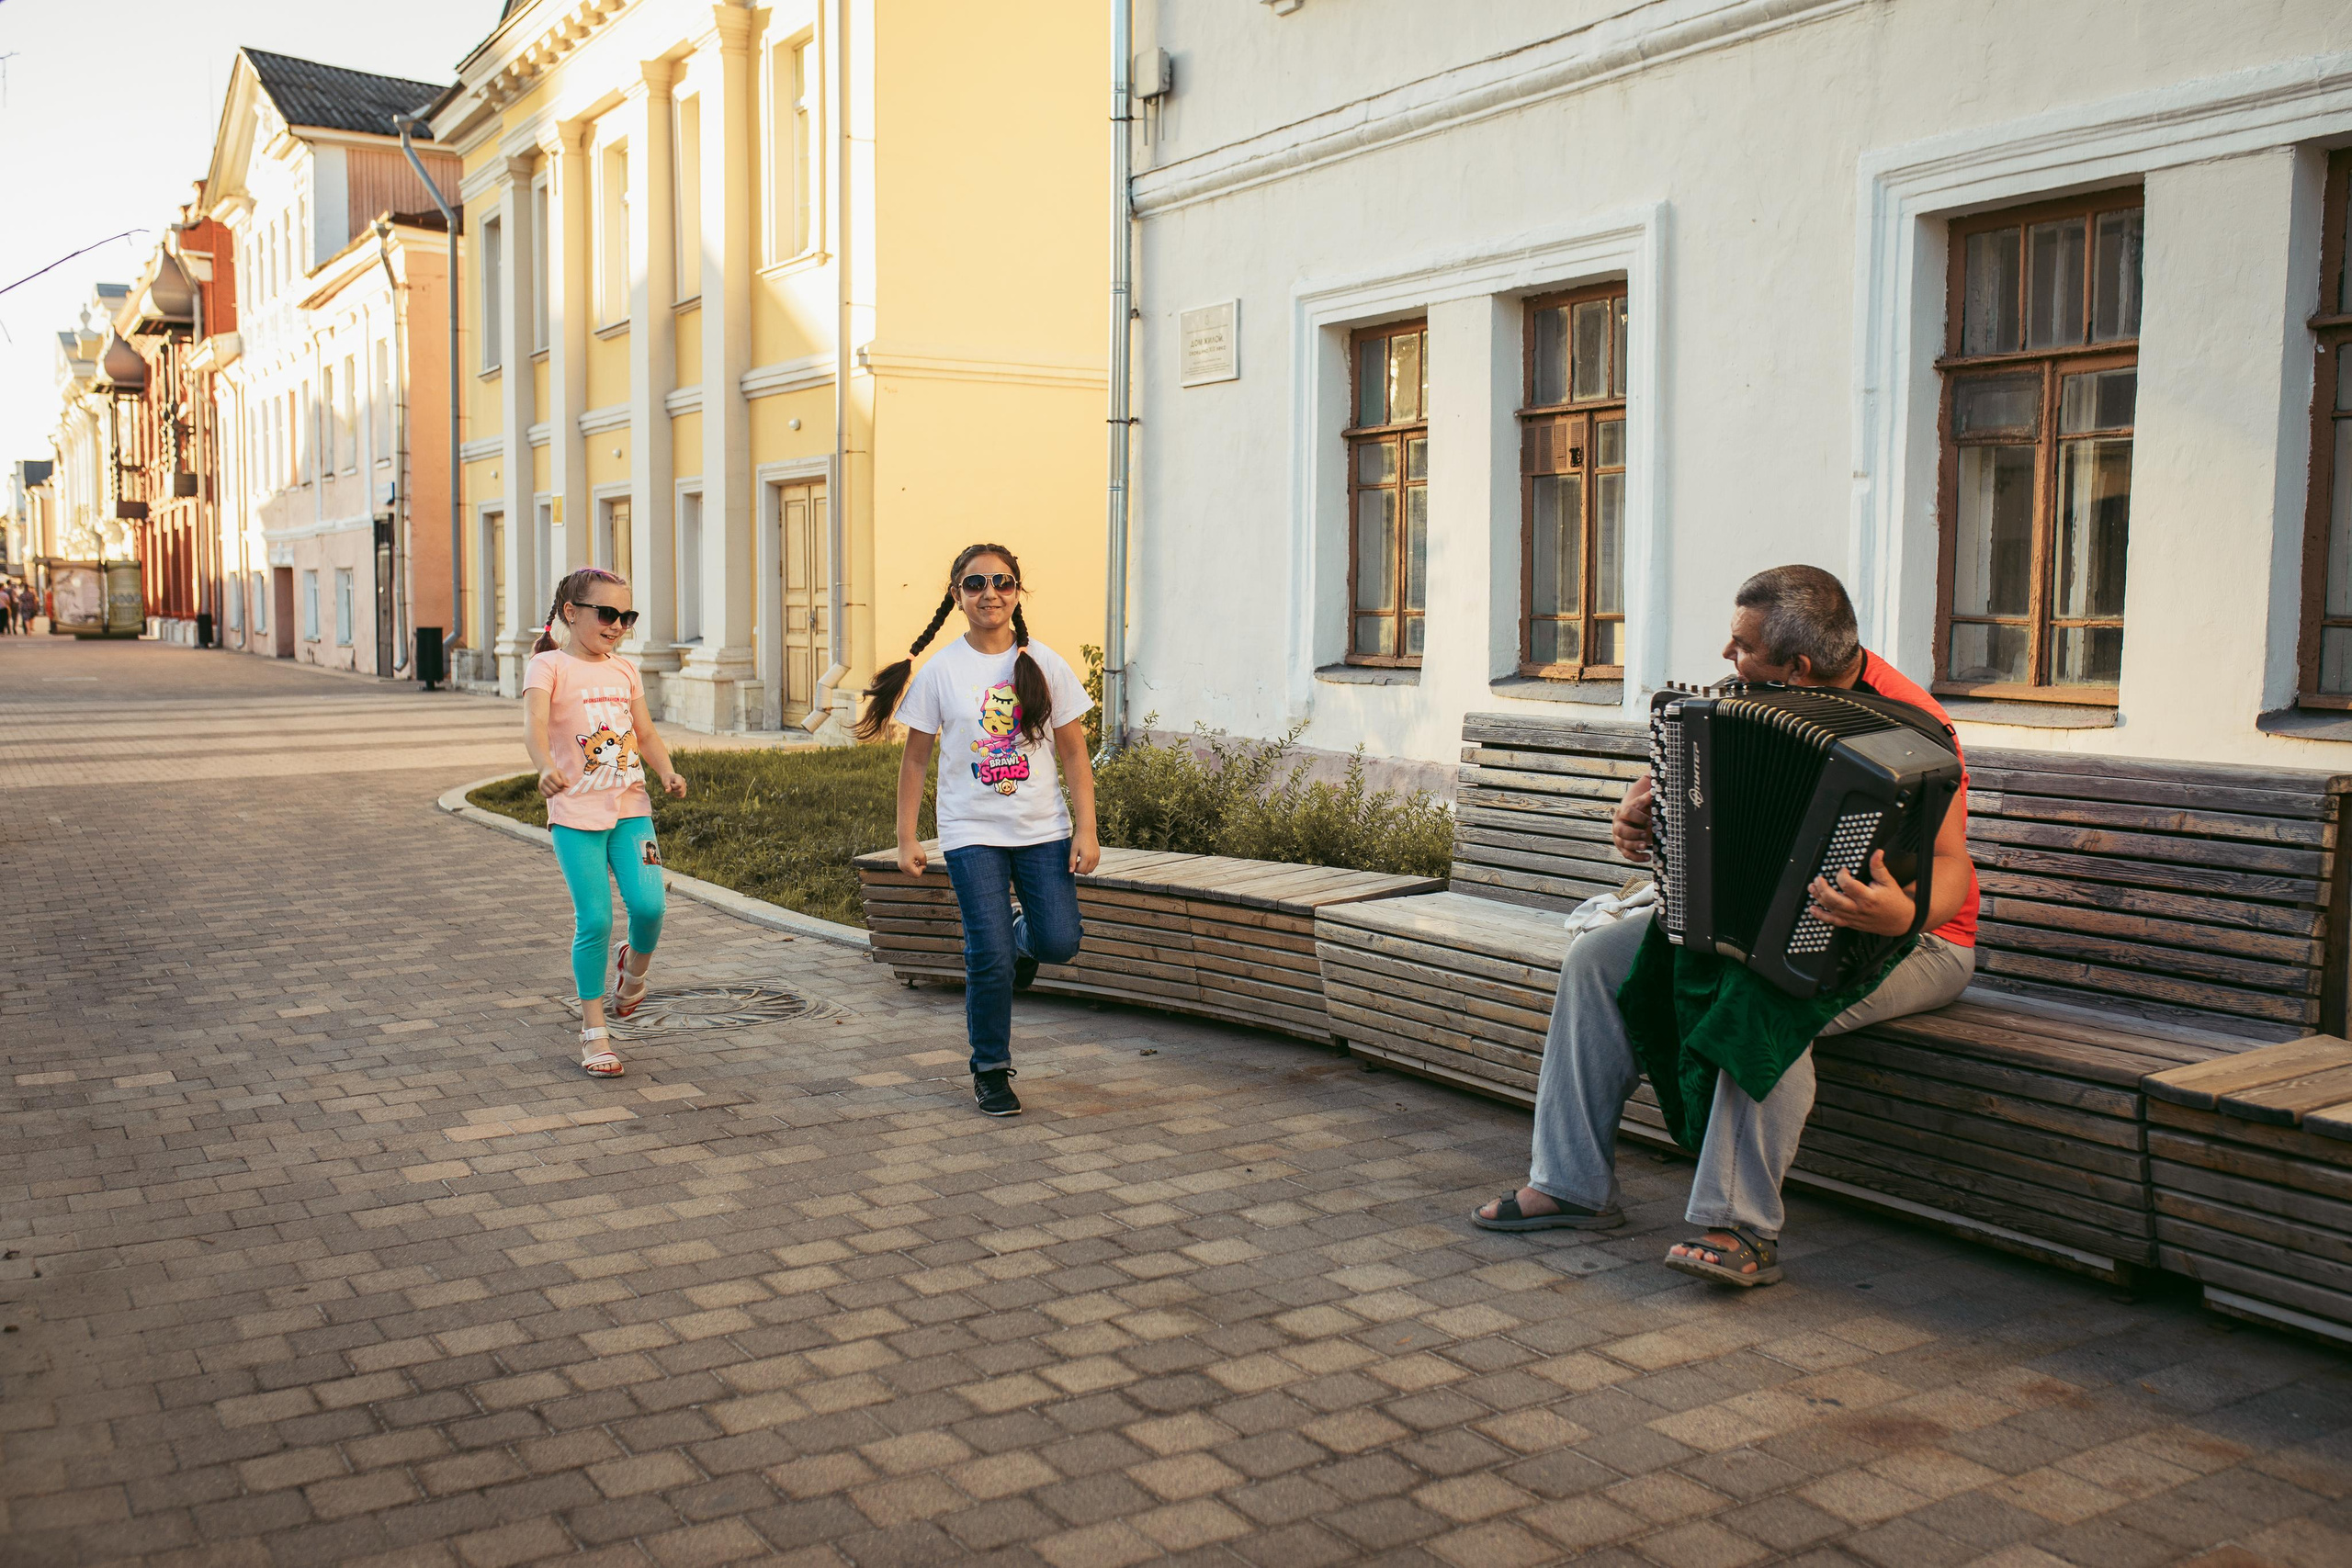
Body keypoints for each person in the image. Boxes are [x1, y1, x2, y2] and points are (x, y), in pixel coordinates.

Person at [1475, 564, 1977, 1287]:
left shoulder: (1912, 724)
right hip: (1764, 925)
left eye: (1741, 645)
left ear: (1799, 665)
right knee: (1597, 961)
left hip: (1919, 939)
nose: (1726, 656)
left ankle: (1739, 1225)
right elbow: (1683, 807)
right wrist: (1639, 819)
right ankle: (1571, 1184)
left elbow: (1951, 864)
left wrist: (1902, 910)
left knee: (1765, 996)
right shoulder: (1745, 700)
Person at [861, 543, 1099, 1117]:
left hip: (1042, 828)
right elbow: (914, 759)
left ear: (1016, 592)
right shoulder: (942, 670)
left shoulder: (1044, 662)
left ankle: (1021, 937)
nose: (989, 592)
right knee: (985, 955)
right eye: (975, 584)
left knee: (1061, 941)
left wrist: (1085, 829)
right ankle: (991, 1068)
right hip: (971, 832)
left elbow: (1075, 754)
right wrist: (907, 836)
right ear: (956, 596)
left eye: (1002, 581)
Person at [522, 567, 688, 1078]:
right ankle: (595, 1032)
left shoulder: (625, 670)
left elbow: (645, 731)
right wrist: (545, 768)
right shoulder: (548, 668)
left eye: (627, 616)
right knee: (594, 920)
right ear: (572, 613)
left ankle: (633, 973)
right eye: (608, 614)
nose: (618, 625)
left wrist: (666, 770)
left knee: (650, 905)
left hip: (631, 807)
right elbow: (533, 726)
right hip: (575, 815)